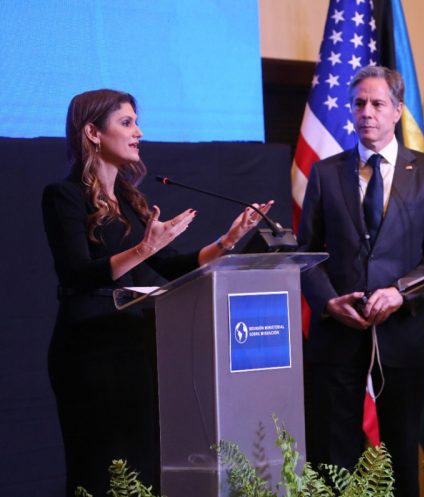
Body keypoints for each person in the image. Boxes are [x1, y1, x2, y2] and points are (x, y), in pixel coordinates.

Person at [42, 89, 272, 496]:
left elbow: (169, 266)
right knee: (98, 467)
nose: (139, 132)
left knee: (141, 464)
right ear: (93, 132)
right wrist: (144, 247)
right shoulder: (63, 196)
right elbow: (77, 273)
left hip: (137, 345)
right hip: (90, 350)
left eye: (136, 122)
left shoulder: (131, 201)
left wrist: (227, 241)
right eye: (126, 123)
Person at [298, 66, 424, 497]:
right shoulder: (325, 172)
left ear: (397, 111)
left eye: (377, 103)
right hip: (337, 333)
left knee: (402, 453)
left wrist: (400, 291)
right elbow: (305, 256)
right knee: (333, 457)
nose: (366, 112)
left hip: (402, 333)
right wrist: (328, 302)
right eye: (359, 103)